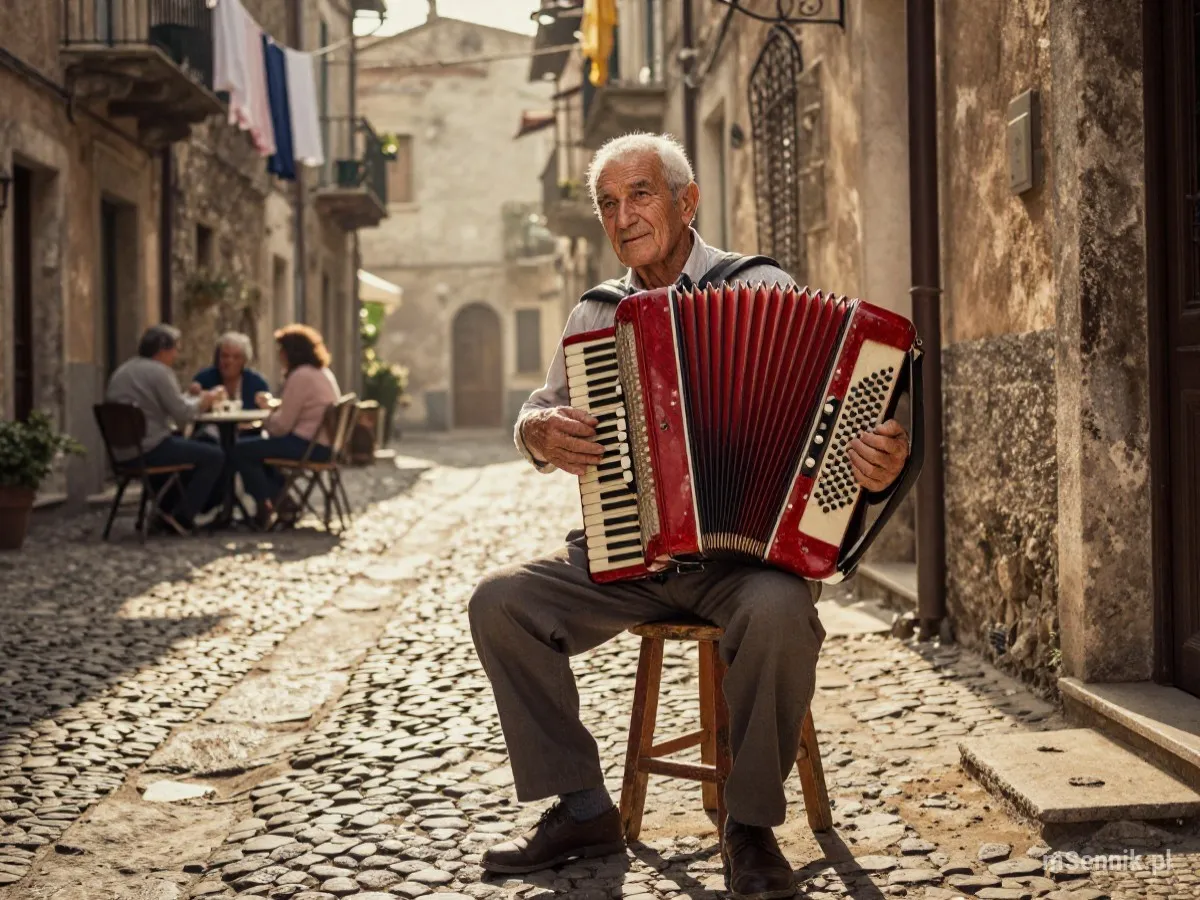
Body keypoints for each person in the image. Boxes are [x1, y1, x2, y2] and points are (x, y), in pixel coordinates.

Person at [468, 133, 912, 899]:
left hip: (742, 566)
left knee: (780, 612)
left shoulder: (760, 284)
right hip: (628, 556)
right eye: (608, 203)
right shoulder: (594, 314)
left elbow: (838, 425)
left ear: (686, 201)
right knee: (498, 602)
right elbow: (542, 410)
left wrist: (880, 456)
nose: (622, 216)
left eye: (639, 194)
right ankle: (580, 807)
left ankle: (748, 826)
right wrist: (535, 432)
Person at [105, 324, 227, 530]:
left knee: (191, 447)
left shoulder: (123, 370)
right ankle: (183, 516)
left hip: (122, 452)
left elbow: (172, 405)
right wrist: (206, 400)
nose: (176, 355)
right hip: (150, 448)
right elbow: (183, 413)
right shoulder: (159, 372)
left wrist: (192, 398)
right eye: (175, 349)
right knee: (214, 455)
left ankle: (165, 511)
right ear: (163, 350)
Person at [231, 324, 340, 528]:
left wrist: (263, 420)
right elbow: (302, 408)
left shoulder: (301, 376)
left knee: (241, 449)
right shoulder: (321, 373)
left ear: (290, 352)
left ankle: (268, 504)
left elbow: (282, 427)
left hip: (308, 445)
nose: (279, 355)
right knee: (257, 449)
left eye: (281, 350)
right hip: (324, 444)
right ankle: (283, 501)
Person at [189, 332, 270, 412]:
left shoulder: (257, 383)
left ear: (244, 360)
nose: (229, 361)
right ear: (218, 358)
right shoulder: (203, 380)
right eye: (225, 356)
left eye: (236, 357)